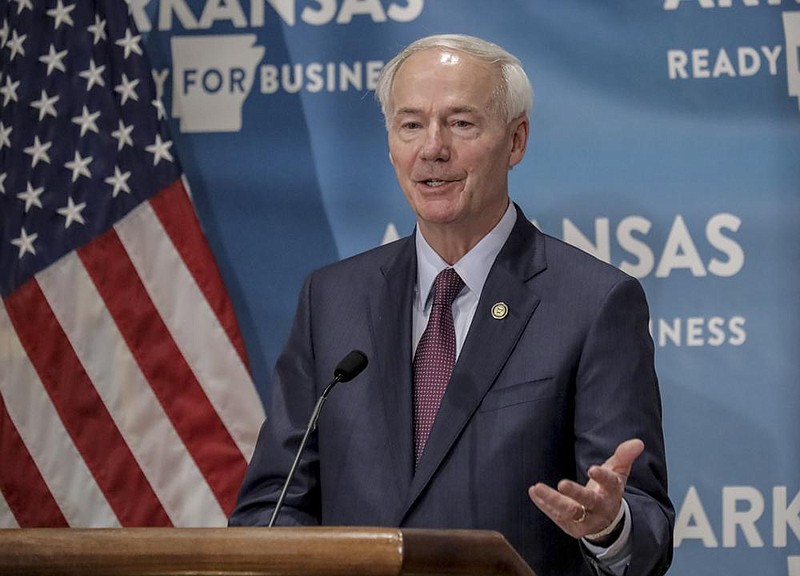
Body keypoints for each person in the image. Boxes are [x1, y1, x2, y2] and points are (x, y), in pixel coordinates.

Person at [230, 34, 674, 576]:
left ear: (515, 141)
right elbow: (274, 504)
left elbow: (646, 532)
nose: (432, 148)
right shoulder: (332, 300)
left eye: (461, 123)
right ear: (390, 142)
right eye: (411, 124)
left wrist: (609, 527)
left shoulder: (593, 303)